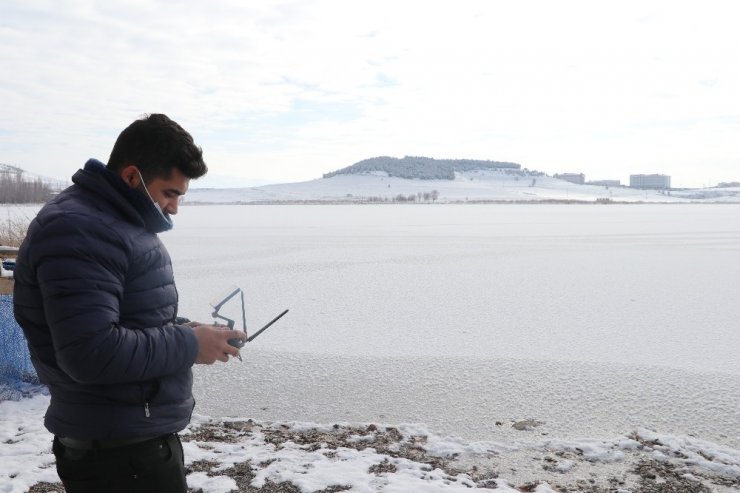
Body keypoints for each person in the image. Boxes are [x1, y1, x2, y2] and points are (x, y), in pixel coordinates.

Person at [13, 114, 246, 492]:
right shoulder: (80, 229)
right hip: (119, 457)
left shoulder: (110, 222)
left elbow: (126, 318)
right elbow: (90, 352)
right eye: (169, 193)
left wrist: (190, 331)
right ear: (132, 177)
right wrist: (190, 344)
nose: (173, 208)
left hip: (129, 442)